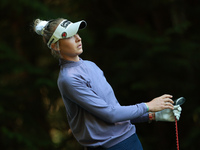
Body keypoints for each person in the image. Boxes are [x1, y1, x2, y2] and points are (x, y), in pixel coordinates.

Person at [33, 18, 182, 150]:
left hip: (130, 140)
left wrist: (152, 116)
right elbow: (110, 115)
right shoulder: (69, 79)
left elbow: (113, 110)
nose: (78, 38)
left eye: (77, 33)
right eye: (70, 36)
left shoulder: (91, 66)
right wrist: (148, 106)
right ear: (55, 46)